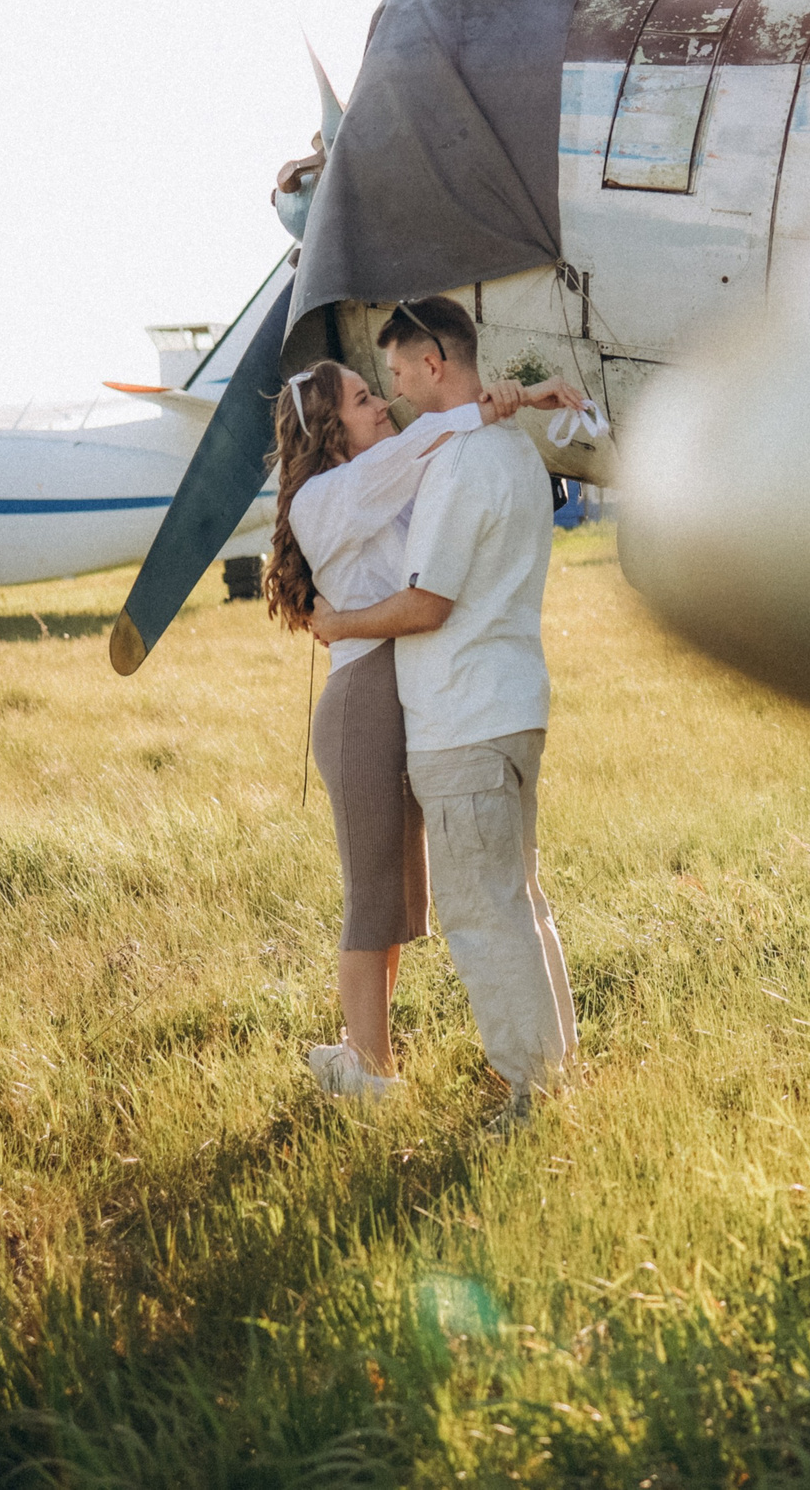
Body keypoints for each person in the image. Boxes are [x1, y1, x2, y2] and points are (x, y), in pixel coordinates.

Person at [265, 351, 582, 1102]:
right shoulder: (329, 494)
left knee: (400, 902)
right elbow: (424, 439)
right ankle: (369, 1070)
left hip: (397, 692)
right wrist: (507, 401)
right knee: (370, 899)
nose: (381, 406)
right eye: (364, 399)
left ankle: (361, 1054)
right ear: (331, 432)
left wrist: (496, 411)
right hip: (364, 700)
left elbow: (437, 480)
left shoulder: (371, 487)